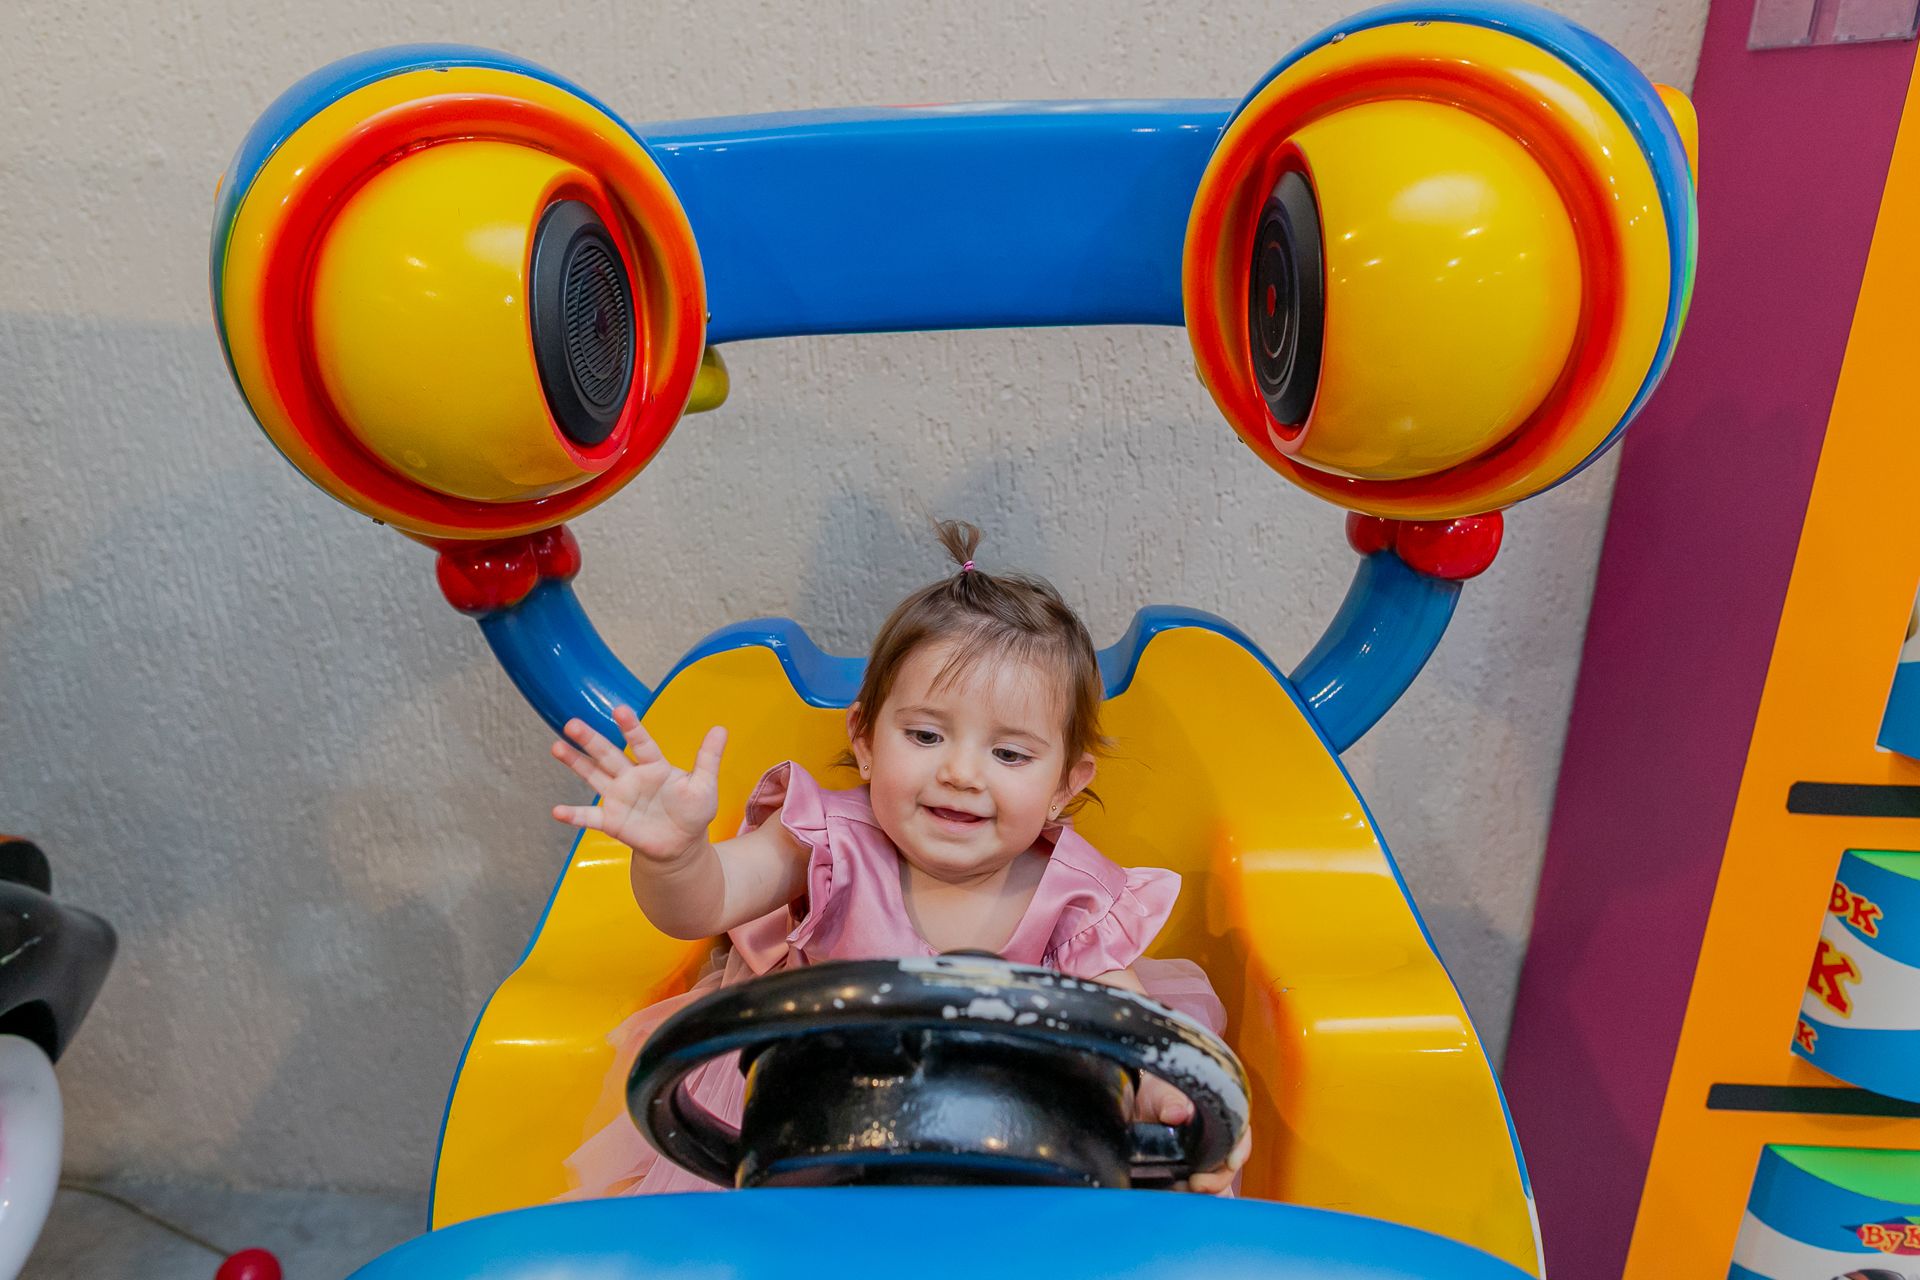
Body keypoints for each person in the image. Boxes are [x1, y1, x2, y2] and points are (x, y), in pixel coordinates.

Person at [550, 521, 1249, 1195]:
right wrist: (676, 857)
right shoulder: (825, 843)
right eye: (925, 736)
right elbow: (703, 904)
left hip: (1005, 1156)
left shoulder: (1073, 900)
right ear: (864, 740)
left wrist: (1168, 1099)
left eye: (1009, 754)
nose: (961, 774)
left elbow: (1135, 1034)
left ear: (1065, 784)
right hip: (808, 1136)